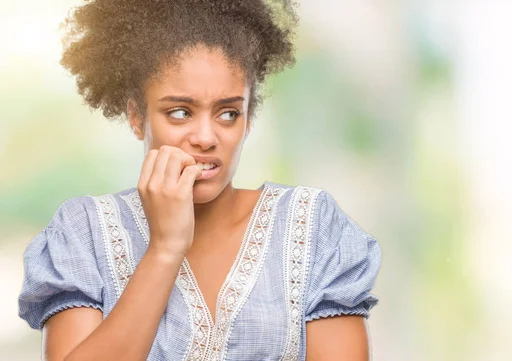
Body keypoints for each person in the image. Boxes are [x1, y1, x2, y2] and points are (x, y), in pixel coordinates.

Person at [17, 0, 381, 360]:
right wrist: (165, 248)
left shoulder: (313, 226)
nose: (206, 137)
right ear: (136, 117)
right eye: (179, 112)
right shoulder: (82, 234)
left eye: (228, 113)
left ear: (248, 119)